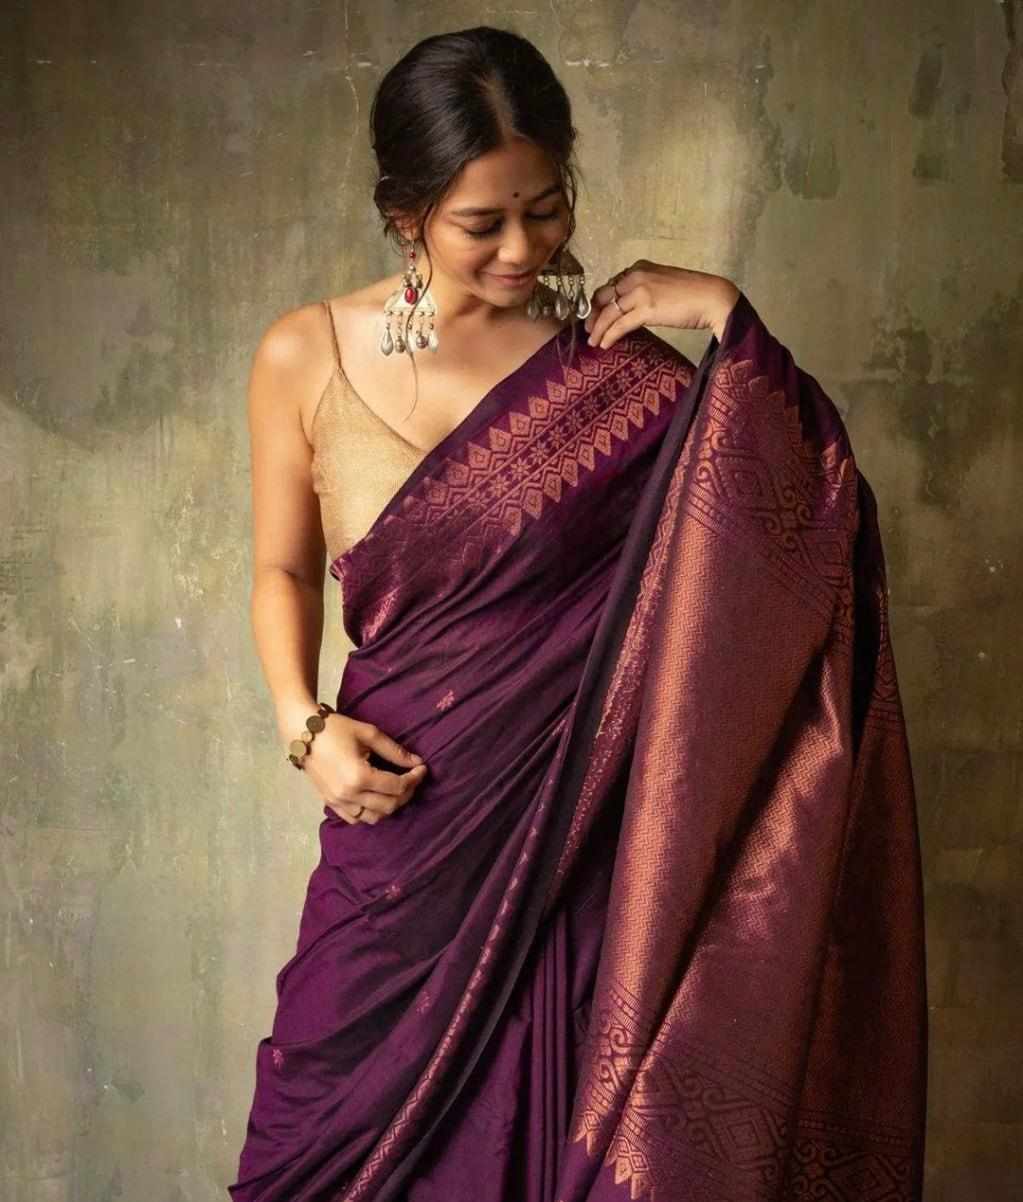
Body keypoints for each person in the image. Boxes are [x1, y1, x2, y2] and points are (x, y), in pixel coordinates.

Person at [229, 25, 927, 1202]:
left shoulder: (622, 381)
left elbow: (800, 532)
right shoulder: (307, 355)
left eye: (545, 209)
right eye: (482, 222)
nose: (523, 248)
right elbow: (283, 571)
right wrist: (304, 725)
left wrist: (729, 317)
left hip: (577, 850)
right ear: (406, 213)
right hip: (399, 841)